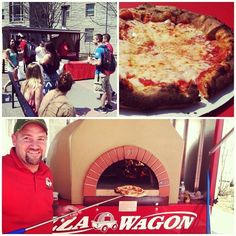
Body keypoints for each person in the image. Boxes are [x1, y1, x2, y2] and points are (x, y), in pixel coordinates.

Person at [2, 119, 78, 233]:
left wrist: (57, 210)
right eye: (27, 138)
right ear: (14, 139)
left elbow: (43, 205)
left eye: (40, 139)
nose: (35, 146)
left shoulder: (46, 171)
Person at [88, 33, 113, 113]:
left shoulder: (99, 49)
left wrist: (90, 62)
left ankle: (102, 108)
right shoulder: (106, 48)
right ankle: (109, 105)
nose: (92, 40)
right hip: (107, 72)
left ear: (97, 40)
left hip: (100, 72)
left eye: (93, 39)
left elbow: (98, 62)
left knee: (102, 91)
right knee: (108, 88)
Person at [102, 33, 116, 99]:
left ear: (105, 39)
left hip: (107, 66)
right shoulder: (106, 45)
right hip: (107, 66)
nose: (101, 39)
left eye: (102, 38)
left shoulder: (108, 46)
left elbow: (108, 57)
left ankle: (109, 93)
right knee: (107, 81)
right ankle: (111, 92)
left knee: (106, 81)